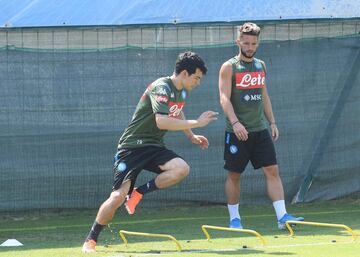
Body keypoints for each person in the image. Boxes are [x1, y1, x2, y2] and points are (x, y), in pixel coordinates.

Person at [82, 51, 218, 253]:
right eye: (196, 77)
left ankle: (139, 192)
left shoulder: (181, 91)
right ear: (184, 74)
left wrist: (191, 135)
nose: (198, 82)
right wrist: (197, 122)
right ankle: (90, 240)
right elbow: (161, 121)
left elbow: (177, 110)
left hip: (153, 146)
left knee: (182, 169)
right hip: (131, 148)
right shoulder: (161, 87)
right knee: (118, 196)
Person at [218, 22, 304, 230]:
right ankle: (234, 219)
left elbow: (264, 95)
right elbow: (223, 98)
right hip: (237, 132)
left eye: (253, 43)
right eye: (246, 43)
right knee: (234, 175)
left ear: (258, 43)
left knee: (272, 170)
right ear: (238, 41)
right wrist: (236, 123)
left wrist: (272, 121)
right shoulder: (229, 67)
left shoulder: (260, 65)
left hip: (260, 130)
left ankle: (282, 217)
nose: (250, 47)